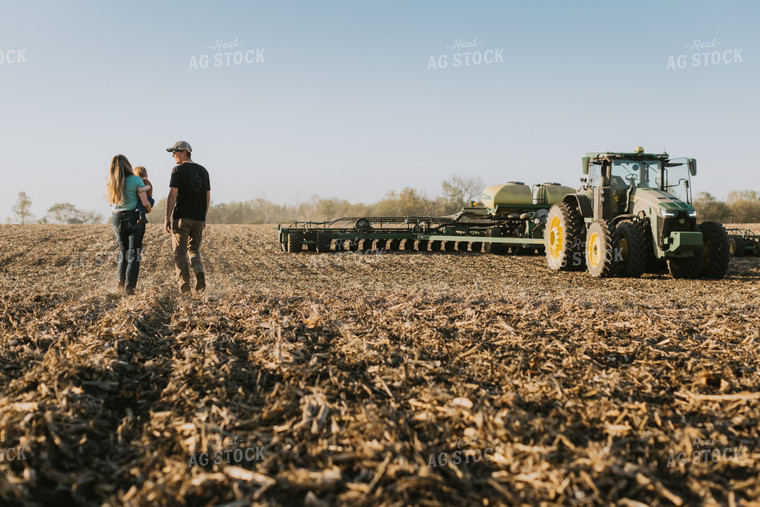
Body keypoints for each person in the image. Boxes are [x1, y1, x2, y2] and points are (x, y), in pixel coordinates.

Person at [164, 141, 211, 293]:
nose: (173, 155)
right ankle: (198, 271)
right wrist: (203, 217)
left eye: (175, 152)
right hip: (198, 218)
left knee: (179, 252)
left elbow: (172, 195)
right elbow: (207, 197)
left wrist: (167, 217)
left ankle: (184, 287)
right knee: (194, 250)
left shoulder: (177, 170)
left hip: (182, 218)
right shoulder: (204, 171)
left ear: (184, 152)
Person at [105, 154, 152, 295]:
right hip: (133, 217)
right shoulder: (137, 180)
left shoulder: (111, 182)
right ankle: (129, 289)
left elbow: (110, 202)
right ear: (128, 165)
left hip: (116, 218)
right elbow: (145, 203)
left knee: (123, 251)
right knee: (134, 254)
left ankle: (119, 285)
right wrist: (148, 208)